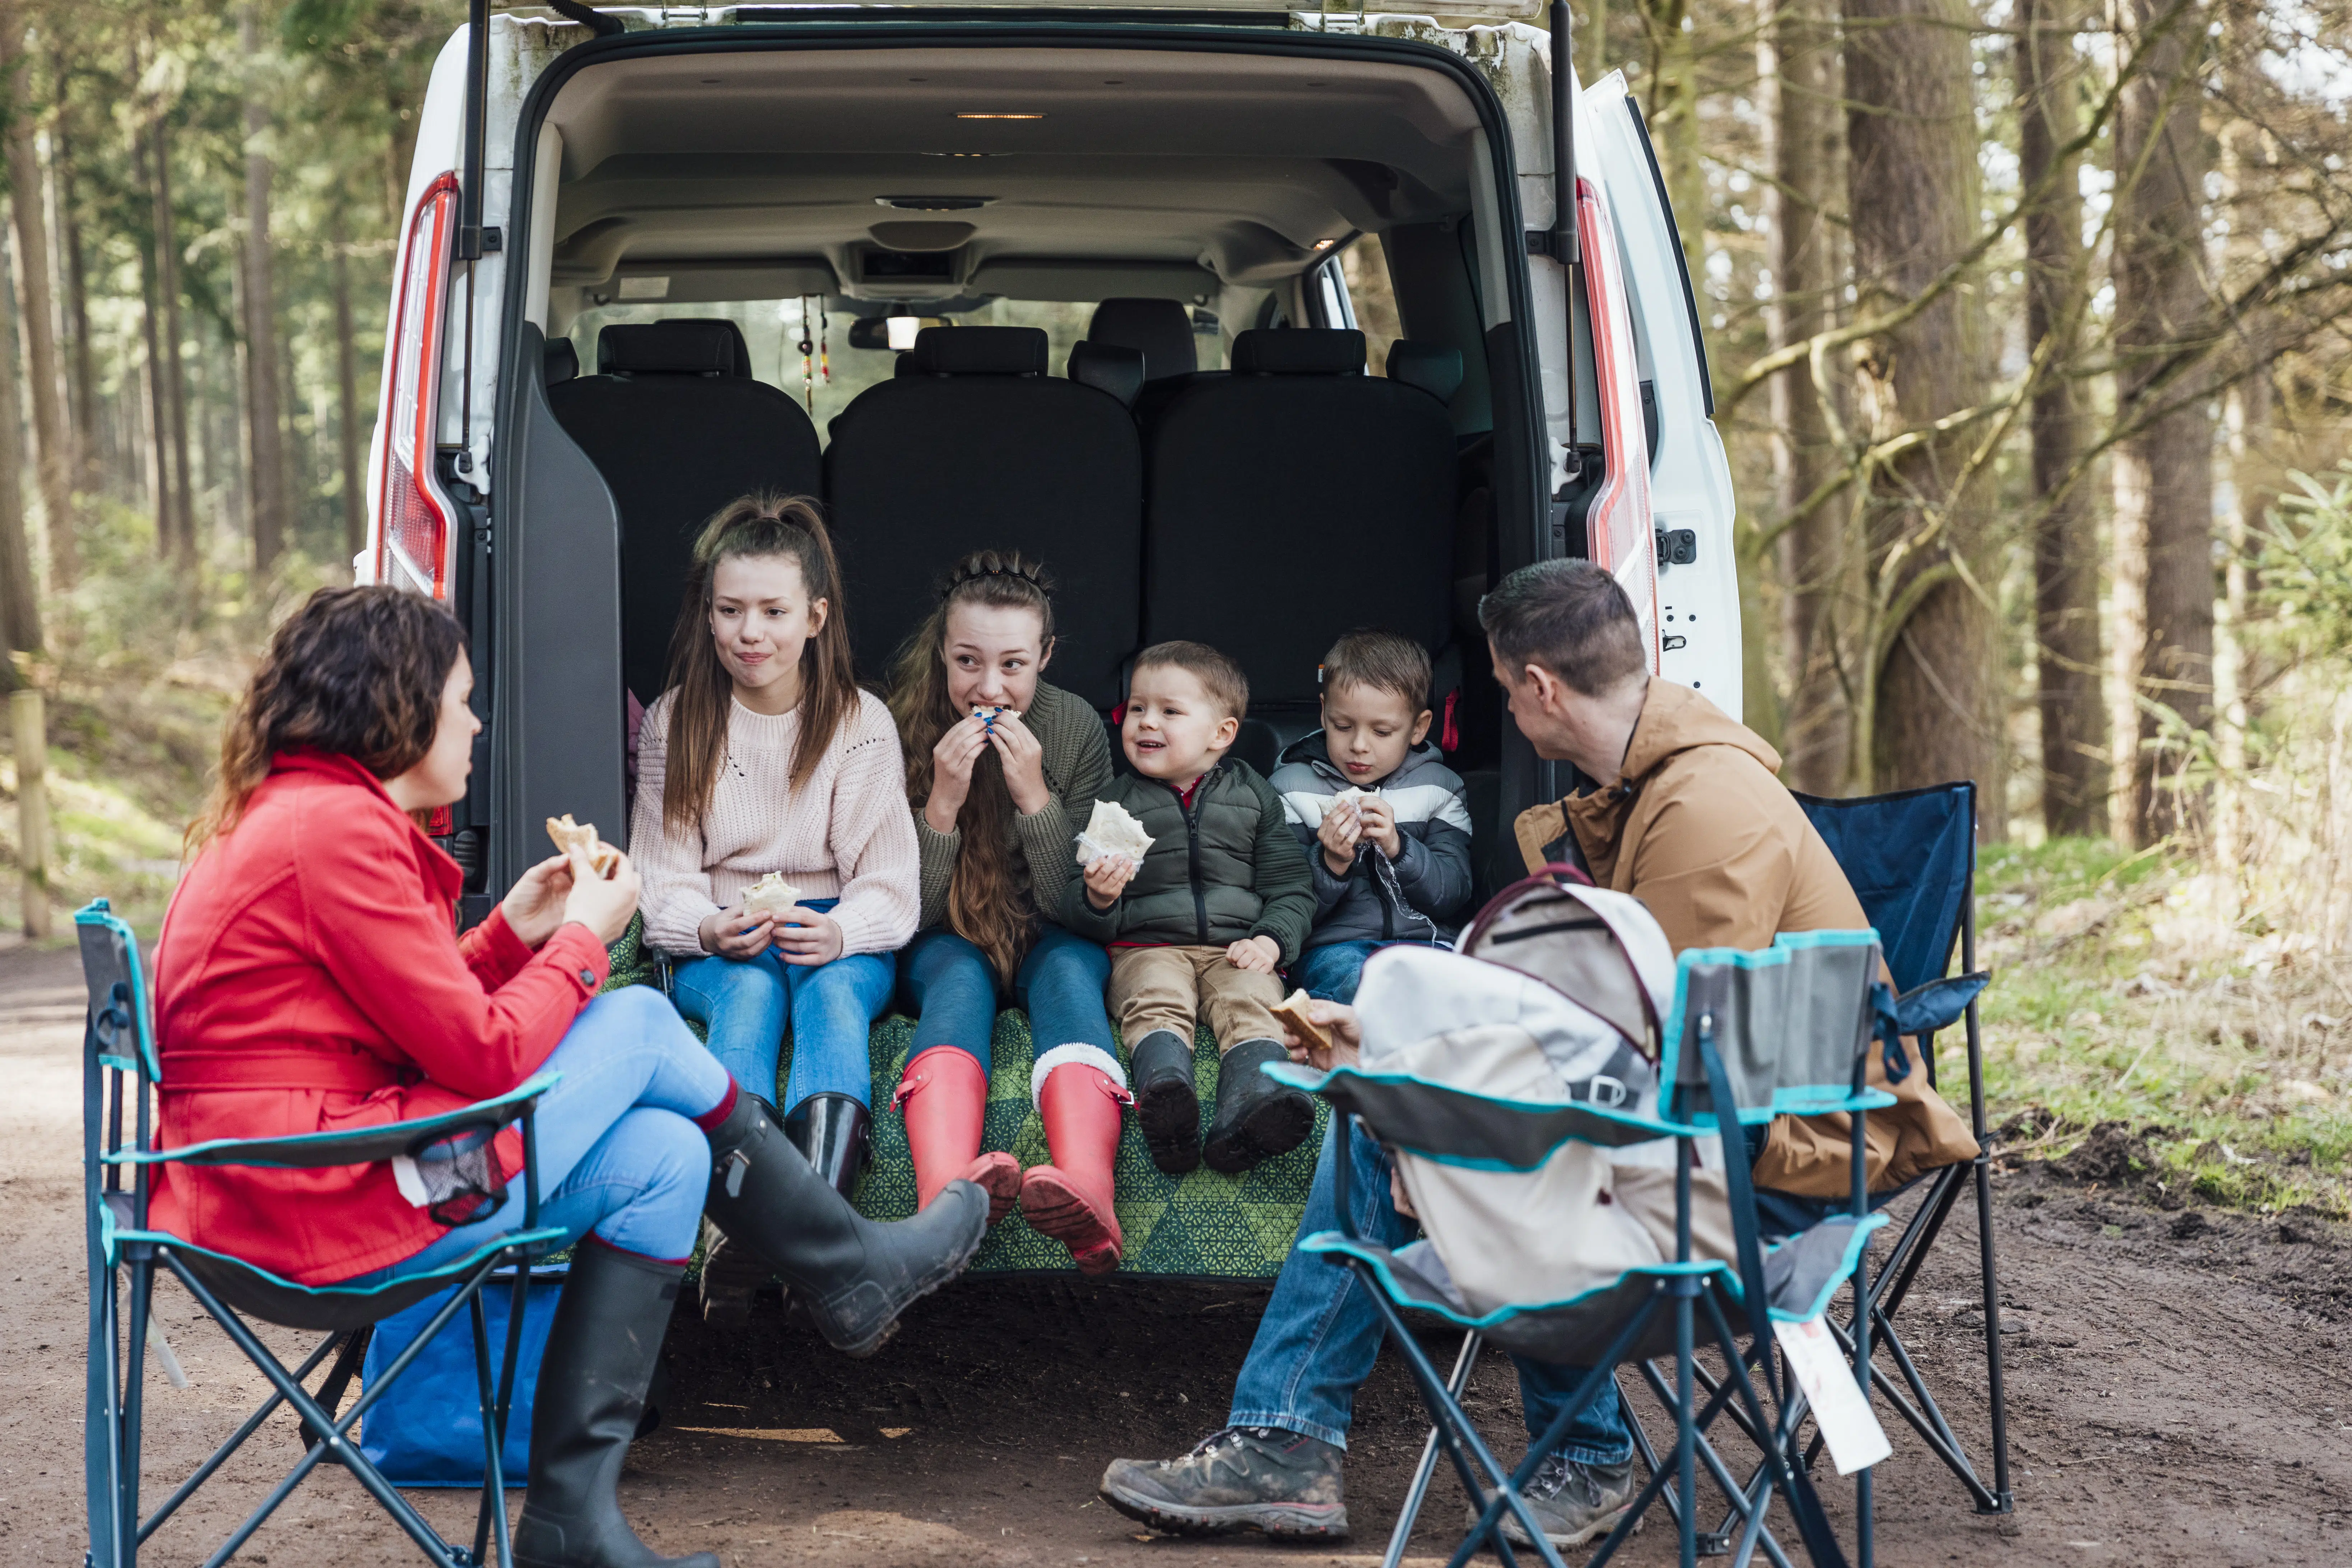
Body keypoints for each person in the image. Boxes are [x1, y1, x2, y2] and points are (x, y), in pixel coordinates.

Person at [1100, 560, 1976, 1550]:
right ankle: (1319, 1442)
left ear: (1540, 689)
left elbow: (1662, 1061)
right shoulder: (1655, 785)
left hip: (1764, 1156)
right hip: (1709, 1114)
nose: (1510, 714)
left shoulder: (1701, 813)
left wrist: (1441, 1081)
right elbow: (1611, 1017)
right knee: (1391, 1102)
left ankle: (1383, 1443)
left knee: (1415, 1129)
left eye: (1507, 690)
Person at [155, 586, 984, 1568]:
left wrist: (512, 932)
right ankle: (847, 1264)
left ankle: (566, 1523)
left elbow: (402, 1024)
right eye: (460, 699)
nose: (474, 721)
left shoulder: (308, 816)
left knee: (666, 1155)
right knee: (635, 1015)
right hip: (327, 1201)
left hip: (306, 1175)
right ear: (397, 705)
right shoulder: (334, 832)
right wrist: (588, 941)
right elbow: (482, 1055)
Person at [627, 493, 923, 1323]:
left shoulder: (857, 721)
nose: (749, 633)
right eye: (729, 610)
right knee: (748, 992)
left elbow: (890, 881)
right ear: (707, 614)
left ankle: (814, 1238)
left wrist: (838, 930)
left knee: (830, 995)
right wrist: (706, 927)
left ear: (815, 616)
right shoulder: (678, 719)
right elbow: (660, 874)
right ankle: (739, 1230)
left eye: (772, 611)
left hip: (837, 927)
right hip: (721, 933)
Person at [885, 550, 1130, 1272]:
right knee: (956, 983)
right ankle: (943, 1199)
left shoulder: (1076, 725)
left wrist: (1034, 798)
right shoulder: (901, 723)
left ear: (1045, 656)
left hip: (1045, 931)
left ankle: (1088, 1184)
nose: (988, 687)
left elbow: (1078, 907)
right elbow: (907, 915)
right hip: (944, 936)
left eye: (1013, 665)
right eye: (967, 661)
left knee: (1070, 972)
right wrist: (941, 804)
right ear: (942, 651)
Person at [1058, 641, 1316, 1176]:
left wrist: (1270, 939)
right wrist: (1099, 896)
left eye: (1169, 711)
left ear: (1221, 733)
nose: (1145, 721)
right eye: (1136, 708)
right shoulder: (1114, 803)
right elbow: (1071, 898)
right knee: (1156, 996)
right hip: (1147, 944)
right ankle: (1165, 1094)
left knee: (1253, 999)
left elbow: (1292, 885)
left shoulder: (1253, 796)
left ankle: (1253, 1107)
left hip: (1235, 946)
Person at [1267, 629, 1474, 1004]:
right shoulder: (1290, 789)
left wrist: (1399, 848)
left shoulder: (1440, 789)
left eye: (1382, 731)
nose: (1359, 745)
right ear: (1323, 713)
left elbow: (1453, 892)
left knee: (1454, 991)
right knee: (1359, 987)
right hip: (1334, 946)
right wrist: (1330, 862)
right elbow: (1284, 903)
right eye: (1342, 726)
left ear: (1419, 727)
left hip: (1426, 940)